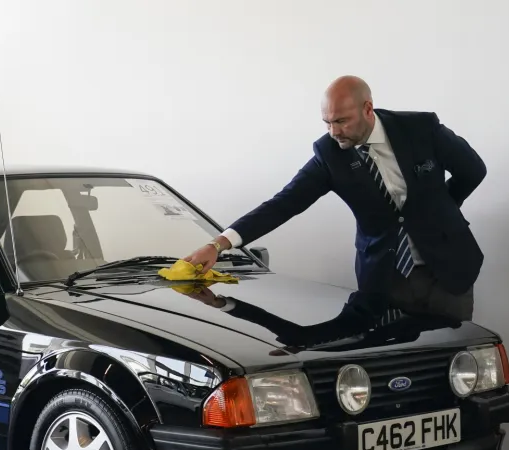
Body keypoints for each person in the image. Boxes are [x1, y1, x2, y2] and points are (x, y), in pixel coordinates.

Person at [185, 76, 486, 322]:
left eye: (342, 121)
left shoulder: (420, 128)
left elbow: (472, 170)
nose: (334, 131)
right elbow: (283, 204)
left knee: (458, 362)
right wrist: (218, 244)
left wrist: (441, 209)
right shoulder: (329, 154)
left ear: (368, 109)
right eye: (327, 122)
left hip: (448, 271)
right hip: (386, 281)